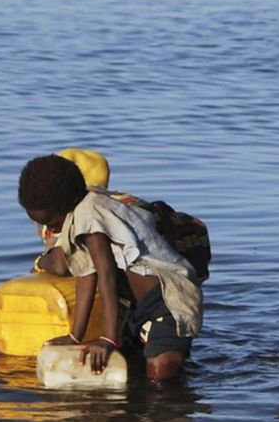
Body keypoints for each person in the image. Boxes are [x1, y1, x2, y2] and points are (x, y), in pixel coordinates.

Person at [18, 155, 203, 382]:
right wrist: (76, 336)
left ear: (65, 205)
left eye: (53, 223)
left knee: (161, 383)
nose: (50, 228)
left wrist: (108, 339)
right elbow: (87, 275)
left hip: (168, 300)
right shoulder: (78, 215)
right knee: (132, 374)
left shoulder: (92, 214)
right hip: (139, 306)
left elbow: (106, 277)